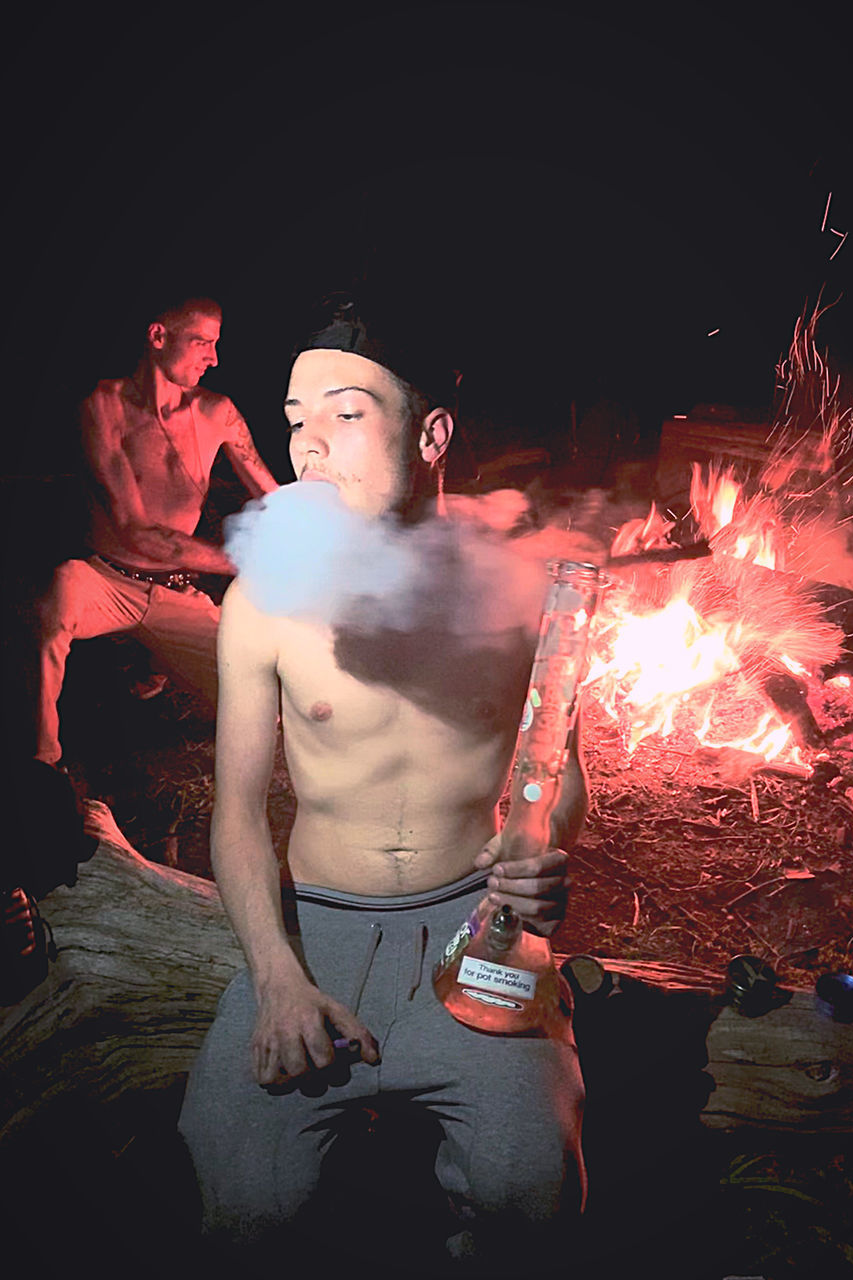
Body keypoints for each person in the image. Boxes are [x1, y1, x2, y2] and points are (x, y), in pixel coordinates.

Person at [179, 297, 589, 1273]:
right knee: (241, 1194)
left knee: (531, 1184)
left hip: (474, 920)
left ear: (433, 432)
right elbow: (235, 809)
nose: (306, 447)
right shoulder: (264, 600)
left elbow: (563, 774)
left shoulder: (521, 593)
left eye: (346, 412)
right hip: (316, 925)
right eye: (292, 419)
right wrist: (277, 977)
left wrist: (542, 856)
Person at [34, 297, 277, 767]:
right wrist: (242, 561)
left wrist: (327, 519)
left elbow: (270, 493)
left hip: (176, 591)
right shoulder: (103, 408)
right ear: (158, 337)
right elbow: (136, 530)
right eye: (202, 342)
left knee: (264, 706)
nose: (214, 358)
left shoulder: (217, 412)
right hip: (105, 581)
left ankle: (161, 659)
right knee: (55, 601)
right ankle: (41, 762)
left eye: (216, 345)